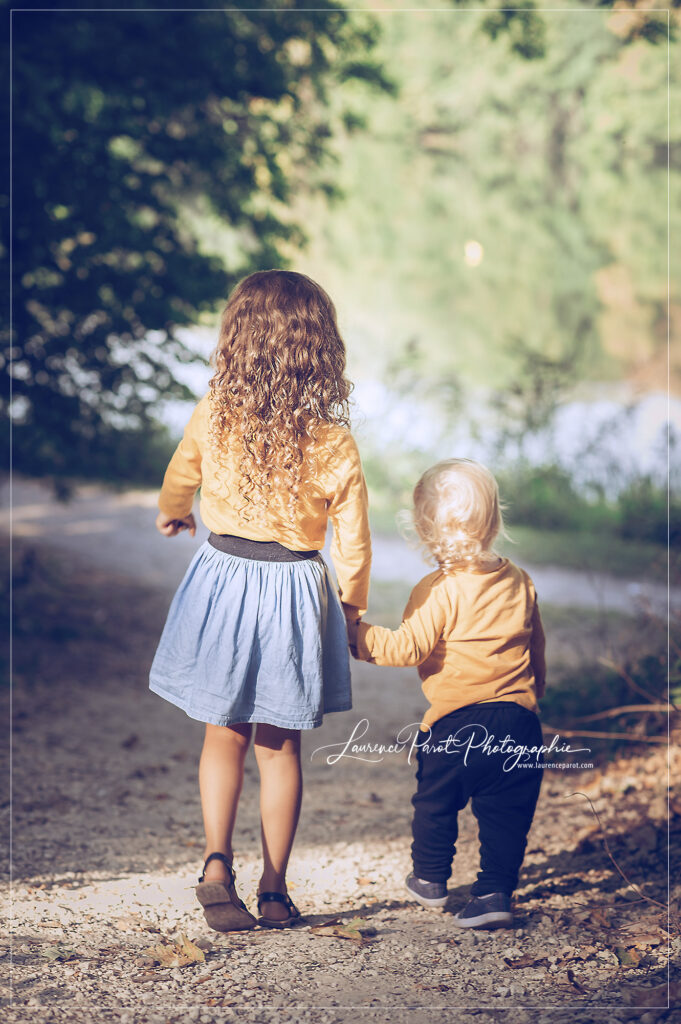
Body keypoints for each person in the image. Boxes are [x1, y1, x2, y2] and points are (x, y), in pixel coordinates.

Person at [149, 270, 371, 931]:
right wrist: (351, 609)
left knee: (222, 735)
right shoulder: (331, 439)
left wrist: (173, 514)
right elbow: (352, 540)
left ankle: (217, 863)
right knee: (279, 748)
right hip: (294, 591)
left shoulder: (213, 411)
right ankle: (274, 889)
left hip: (224, 577)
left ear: (236, 339)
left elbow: (181, 473)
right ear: (318, 348)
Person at [348, 458, 545, 929]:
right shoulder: (520, 581)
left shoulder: (438, 589)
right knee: (506, 816)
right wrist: (536, 693)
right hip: (519, 723)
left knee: (436, 801)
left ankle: (432, 878)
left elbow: (405, 647)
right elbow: (536, 645)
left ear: (423, 529)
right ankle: (494, 892)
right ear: (495, 522)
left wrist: (352, 634)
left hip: (457, 725)